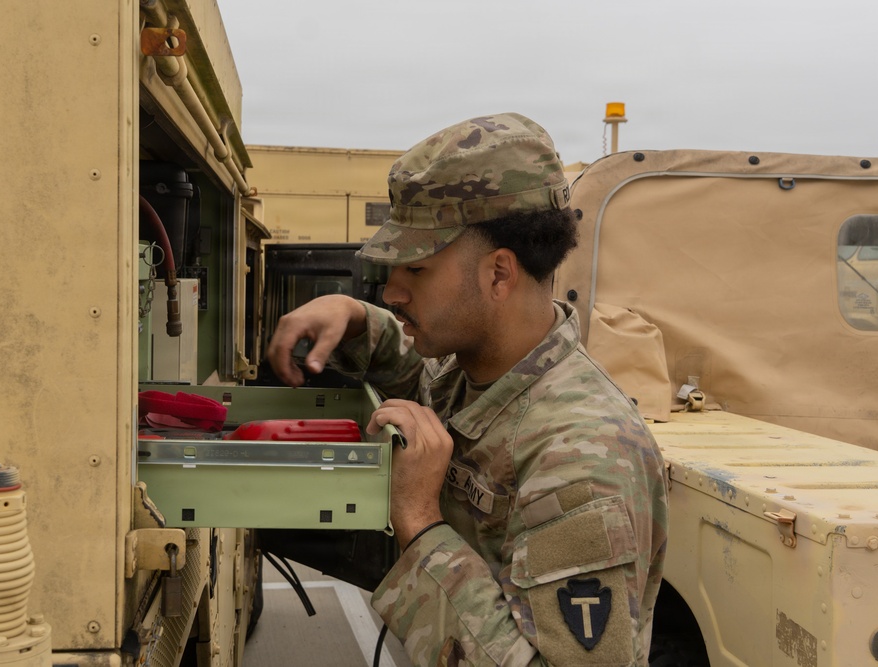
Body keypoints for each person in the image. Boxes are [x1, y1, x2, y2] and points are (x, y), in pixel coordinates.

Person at [267, 113, 668, 666]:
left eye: (417, 270)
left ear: (499, 274)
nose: (393, 291)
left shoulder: (580, 459)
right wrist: (355, 316)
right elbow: (423, 376)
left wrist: (418, 521)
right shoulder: (476, 372)